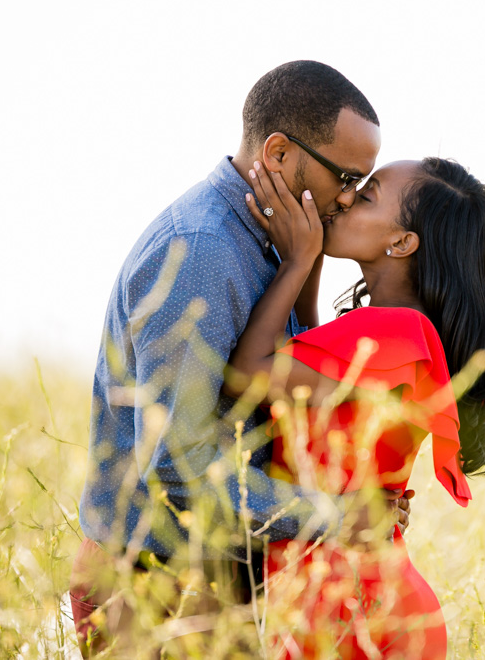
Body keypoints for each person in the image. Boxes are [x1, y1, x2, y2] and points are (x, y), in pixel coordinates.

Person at [70, 61, 415, 655]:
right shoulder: (204, 251)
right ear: (278, 153)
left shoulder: (272, 240)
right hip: (154, 589)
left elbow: (286, 386)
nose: (352, 198)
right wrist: (334, 516)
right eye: (347, 178)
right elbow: (179, 466)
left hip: (216, 582)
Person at [222, 154, 485, 658]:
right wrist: (310, 259)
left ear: (401, 243)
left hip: (342, 604)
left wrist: (296, 260)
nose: (344, 198)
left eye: (367, 195)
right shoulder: (407, 332)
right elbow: (313, 372)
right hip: (368, 593)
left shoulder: (390, 329)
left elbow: (246, 374)